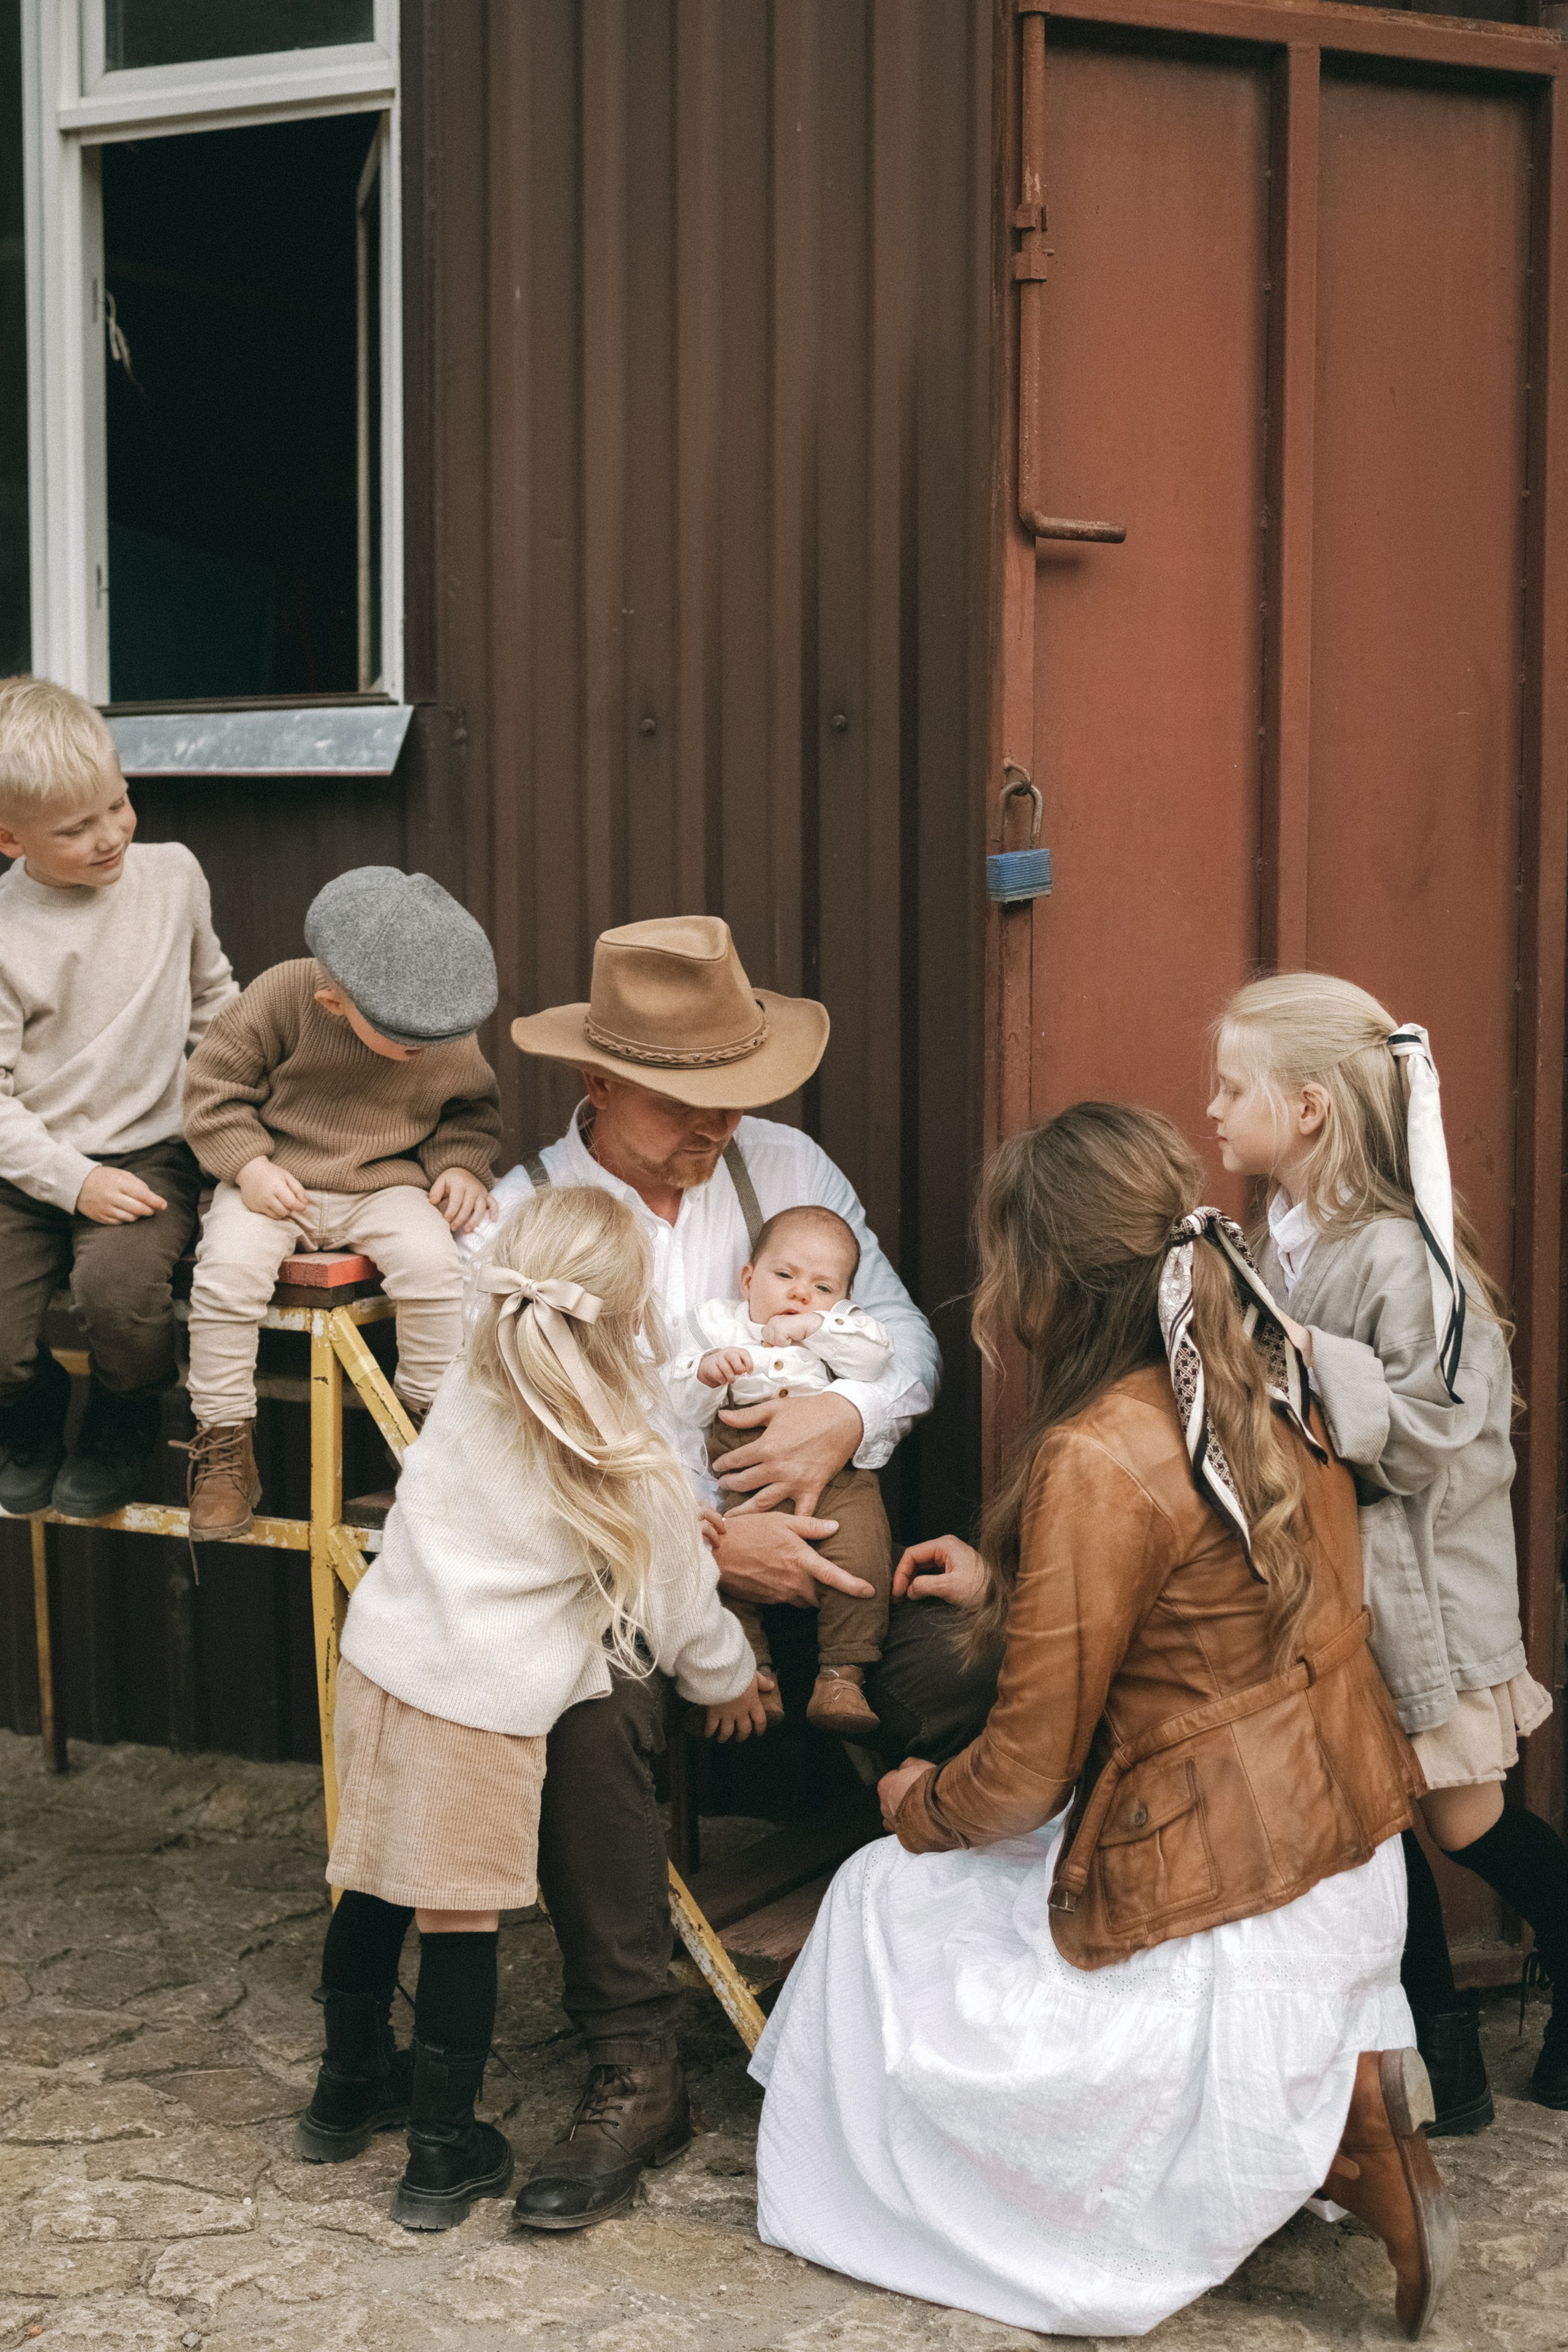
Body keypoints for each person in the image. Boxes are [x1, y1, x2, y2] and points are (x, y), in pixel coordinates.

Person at [752, 1104, 1452, 2343]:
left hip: (1219, 1885)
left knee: (875, 1898)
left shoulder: (1096, 1449)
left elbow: (1019, 1775)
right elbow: (1208, 1605)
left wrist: (921, 1804)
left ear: (1043, 1277)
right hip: (1341, 1850)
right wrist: (1013, 1589)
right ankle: (1329, 2108)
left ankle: (1307, 2146)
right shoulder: (1262, 1362)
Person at [474, 914, 994, 2230]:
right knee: (585, 1712)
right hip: (636, 1560)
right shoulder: (534, 1216)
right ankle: (634, 2066)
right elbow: (534, 1450)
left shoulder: (785, 1168)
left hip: (826, 1544)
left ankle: (981, 2019)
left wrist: (843, 1424)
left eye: (732, 1095)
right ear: (596, 1086)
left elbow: (900, 1347)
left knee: (971, 1656)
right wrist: (706, 1542)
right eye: (682, 1100)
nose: (716, 1125)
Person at [292, 1184, 760, 2231]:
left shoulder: (467, 1381)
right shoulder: (622, 1460)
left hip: (378, 1669)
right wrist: (728, 1680)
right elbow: (682, 1607)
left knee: (369, 1886)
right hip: (480, 1706)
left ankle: (343, 2094)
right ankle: (442, 2156)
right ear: (633, 1315)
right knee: (460, 1924)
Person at [1212, 972, 1568, 2122]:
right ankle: (1444, 2058)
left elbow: (1424, 1435)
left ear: (1308, 1106)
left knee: (1461, 1817)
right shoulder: (1281, 1235)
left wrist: (1300, 1359)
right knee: (1368, 1818)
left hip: (1425, 1597)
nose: (1212, 1110)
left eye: (1232, 1088)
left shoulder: (1403, 1260)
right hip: (1339, 1589)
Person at [179, 865, 502, 1539]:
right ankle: (223, 1443)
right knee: (226, 1277)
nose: (423, 1053)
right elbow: (213, 1088)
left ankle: (425, 1437)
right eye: (408, 1042)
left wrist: (464, 1167)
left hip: (385, 1184)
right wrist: (249, 1165)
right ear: (334, 1003)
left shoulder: (438, 1022)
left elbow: (469, 1111)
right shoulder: (283, 996)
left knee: (435, 1268)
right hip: (275, 1180)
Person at [0, 674, 236, 1518]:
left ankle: (122, 1415)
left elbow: (216, 1002)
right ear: (7, 836)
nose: (110, 837)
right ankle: (22, 1415)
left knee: (122, 1297)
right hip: (28, 1162)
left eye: (118, 804)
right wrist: (71, 1181)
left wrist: (232, 1111)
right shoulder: (5, 933)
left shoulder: (172, 878)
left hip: (149, 1149)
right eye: (75, 828)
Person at [668, 1202, 895, 1735]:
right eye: (785, 1276)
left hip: (835, 1471)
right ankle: (749, 1674)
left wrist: (818, 1327)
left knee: (863, 1549)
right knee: (720, 1565)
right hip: (740, 1460)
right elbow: (677, 1398)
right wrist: (705, 1373)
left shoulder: (841, 1326)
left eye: (823, 1287)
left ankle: (842, 1676)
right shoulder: (716, 1322)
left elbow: (875, 1358)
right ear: (749, 1279)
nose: (800, 1294)